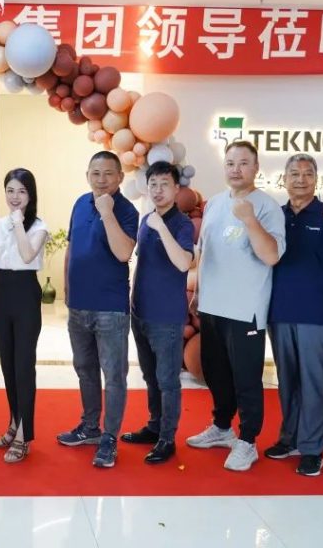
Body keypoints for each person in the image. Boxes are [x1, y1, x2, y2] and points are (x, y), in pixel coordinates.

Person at [187, 140, 286, 472]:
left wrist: (249, 220)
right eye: (230, 163)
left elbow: (271, 256)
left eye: (244, 163)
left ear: (256, 168)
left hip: (246, 309)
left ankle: (248, 441)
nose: (236, 169)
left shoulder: (267, 207)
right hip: (213, 306)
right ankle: (222, 427)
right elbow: (205, 252)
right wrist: (198, 293)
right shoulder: (215, 203)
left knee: (246, 378)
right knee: (215, 373)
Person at [265, 153, 323, 477]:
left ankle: (313, 449)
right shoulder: (275, 215)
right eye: (294, 173)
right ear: (284, 179)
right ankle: (289, 438)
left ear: (317, 179)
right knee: (287, 380)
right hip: (279, 310)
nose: (300, 179)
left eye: (307, 174)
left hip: (315, 311)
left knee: (313, 382)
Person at [57, 151, 138, 469]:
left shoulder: (127, 210)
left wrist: (107, 213)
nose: (101, 179)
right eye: (95, 173)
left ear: (120, 177)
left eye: (108, 173)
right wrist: (67, 288)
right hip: (79, 305)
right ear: (87, 175)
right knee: (85, 369)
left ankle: (109, 438)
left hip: (110, 309)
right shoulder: (80, 203)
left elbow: (123, 253)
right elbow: (71, 248)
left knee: (114, 375)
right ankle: (90, 427)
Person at [123, 161, 195, 465]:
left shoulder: (181, 224)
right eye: (153, 184)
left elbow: (183, 263)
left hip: (166, 318)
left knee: (167, 380)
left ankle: (167, 438)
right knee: (150, 376)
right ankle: (154, 426)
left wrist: (161, 227)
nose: (157, 190)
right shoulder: (146, 220)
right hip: (140, 313)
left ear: (176, 188)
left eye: (164, 184)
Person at [0, 168, 48, 463]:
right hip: (2, 296)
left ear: (30, 195)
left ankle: (24, 435)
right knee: (8, 366)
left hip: (25, 295)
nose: (15, 196)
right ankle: (14, 422)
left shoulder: (39, 227)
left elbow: (26, 256)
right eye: (10, 190)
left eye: (21, 191)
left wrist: (19, 223)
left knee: (23, 366)